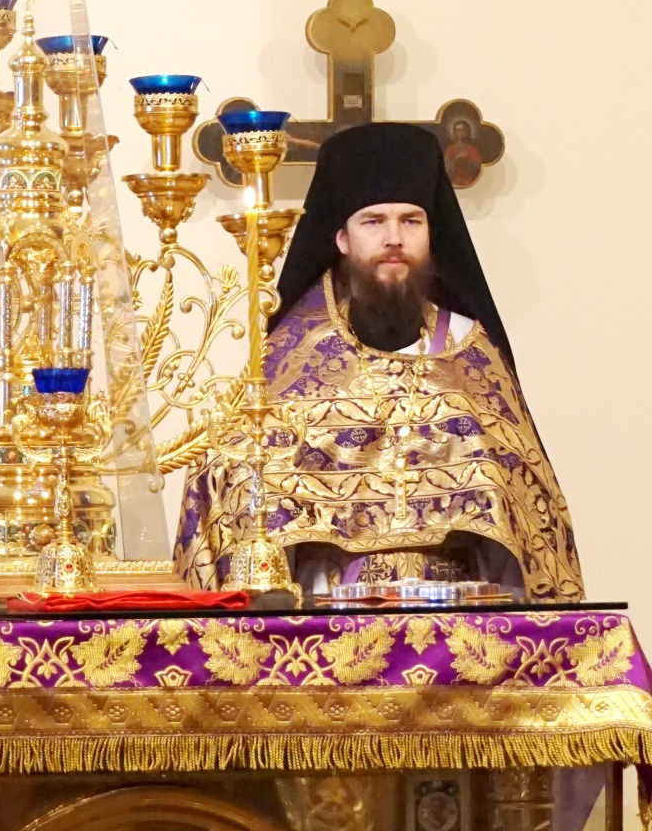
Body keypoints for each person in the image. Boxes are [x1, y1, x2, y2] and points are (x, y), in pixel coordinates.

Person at [175, 123, 582, 602]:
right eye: (373, 222)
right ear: (342, 238)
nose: (394, 238)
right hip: (319, 615)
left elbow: (529, 508)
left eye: (411, 221)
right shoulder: (291, 356)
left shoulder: (469, 350)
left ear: (431, 233)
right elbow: (229, 486)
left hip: (458, 615)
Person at [443, 118, 483, 187]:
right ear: (454, 132)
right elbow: (446, 167)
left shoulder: (472, 149)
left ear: (467, 131)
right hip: (453, 181)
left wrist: (468, 160)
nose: (460, 133)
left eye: (463, 130)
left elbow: (477, 167)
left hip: (469, 181)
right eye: (458, 130)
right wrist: (455, 159)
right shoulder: (450, 148)